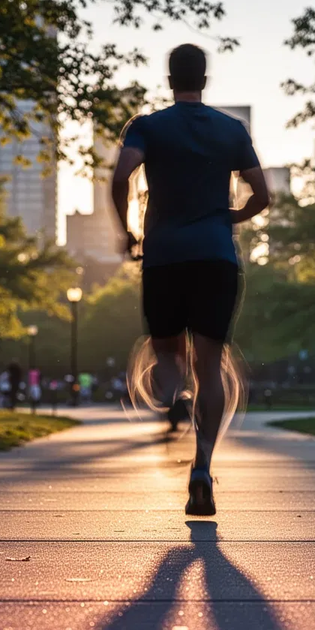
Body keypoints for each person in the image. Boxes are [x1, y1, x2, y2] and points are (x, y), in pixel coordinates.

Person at [110, 43, 270, 516]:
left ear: (169, 78)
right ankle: (202, 465)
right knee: (210, 363)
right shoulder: (230, 130)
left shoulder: (147, 126)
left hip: (163, 259)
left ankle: (176, 397)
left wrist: (129, 233)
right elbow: (262, 194)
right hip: (216, 258)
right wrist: (228, 217)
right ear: (205, 79)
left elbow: (120, 178)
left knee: (169, 361)